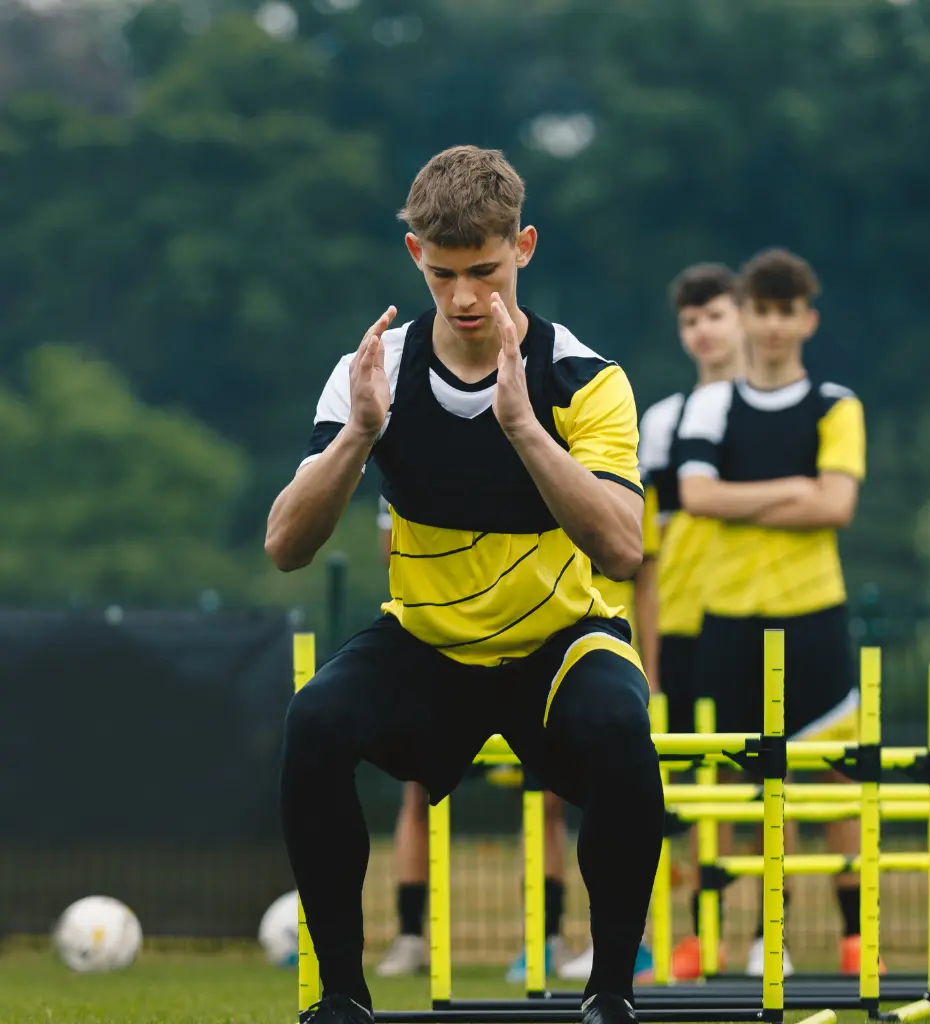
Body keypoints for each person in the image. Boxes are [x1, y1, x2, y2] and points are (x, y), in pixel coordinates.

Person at [267, 145, 660, 1024]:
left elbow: (623, 549)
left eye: (484, 269)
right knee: (314, 721)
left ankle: (609, 998)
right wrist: (358, 437)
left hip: (561, 641)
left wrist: (524, 428)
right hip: (430, 645)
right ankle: (342, 998)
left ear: (523, 246)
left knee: (621, 725)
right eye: (443, 274)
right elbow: (287, 545)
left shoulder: (585, 379)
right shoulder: (372, 370)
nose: (466, 296)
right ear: (415, 257)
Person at [676, 248, 869, 976]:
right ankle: (744, 939)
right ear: (746, 315)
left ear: (807, 320)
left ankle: (854, 936)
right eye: (762, 310)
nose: (774, 324)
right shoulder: (710, 405)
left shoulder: (836, 404)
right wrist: (794, 489)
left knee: (832, 777)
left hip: (812, 613)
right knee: (731, 785)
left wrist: (747, 498)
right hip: (728, 618)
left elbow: (837, 505)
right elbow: (696, 498)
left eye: (788, 311)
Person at [369, 493, 584, 984]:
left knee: (548, 798)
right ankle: (409, 937)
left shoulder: (528, 433)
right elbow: (391, 551)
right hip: (442, 645)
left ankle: (548, 937)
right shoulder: (407, 441)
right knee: (417, 789)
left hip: (528, 642)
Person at [634, 263, 746, 978]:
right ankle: (691, 937)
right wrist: (644, 659)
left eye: (716, 316)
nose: (704, 331)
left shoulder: (778, 414)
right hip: (680, 627)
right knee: (679, 792)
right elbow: (643, 557)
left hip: (760, 618)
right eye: (691, 321)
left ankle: (774, 935)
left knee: (765, 782)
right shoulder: (662, 423)